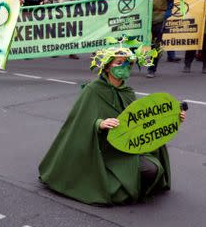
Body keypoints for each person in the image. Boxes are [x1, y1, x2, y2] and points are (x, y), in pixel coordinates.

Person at [39, 44, 183, 205]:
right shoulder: (92, 90)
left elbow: (142, 121)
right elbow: (79, 121)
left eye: (127, 63)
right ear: (107, 67)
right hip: (103, 149)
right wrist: (99, 124)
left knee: (153, 168)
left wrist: (173, 118)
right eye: (119, 62)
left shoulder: (128, 92)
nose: (125, 66)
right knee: (144, 171)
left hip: (128, 145)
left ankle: (133, 184)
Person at [143, 0, 187, 78]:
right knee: (140, 43)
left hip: (160, 18)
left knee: (155, 44)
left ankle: (152, 69)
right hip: (146, 19)